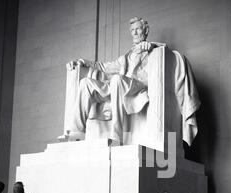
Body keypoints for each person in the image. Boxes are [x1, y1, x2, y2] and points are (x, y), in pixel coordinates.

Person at [65, 16, 164, 144]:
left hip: (138, 86)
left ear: (146, 30)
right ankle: (77, 132)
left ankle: (117, 134)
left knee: (117, 80)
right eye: (132, 30)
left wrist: (151, 46)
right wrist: (83, 62)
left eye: (138, 29)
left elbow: (164, 51)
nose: (134, 32)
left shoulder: (154, 49)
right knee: (85, 83)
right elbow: (103, 66)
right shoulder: (126, 57)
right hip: (119, 85)